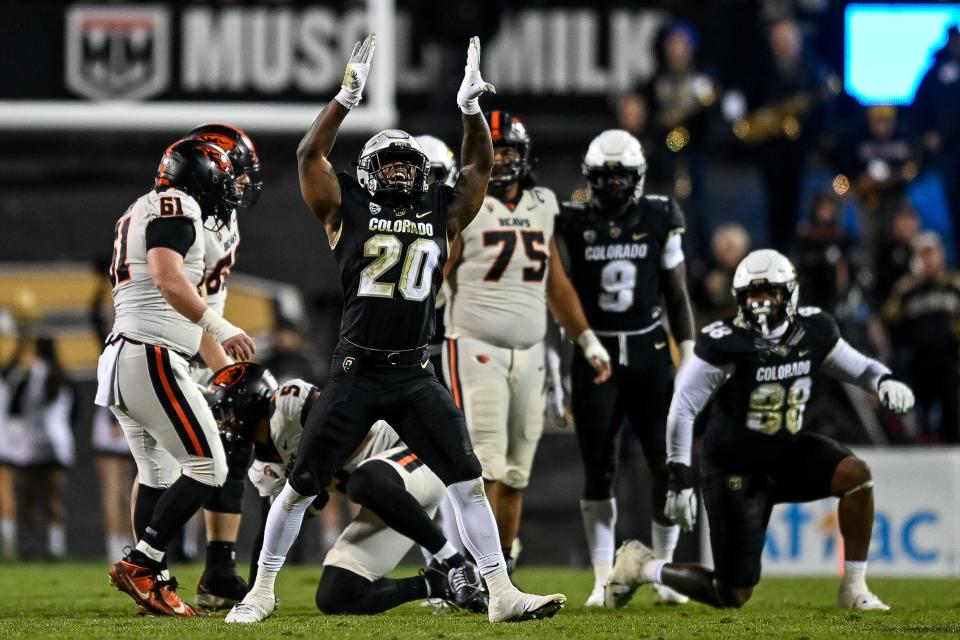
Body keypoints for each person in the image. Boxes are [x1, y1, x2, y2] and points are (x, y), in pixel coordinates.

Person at [227, 35, 565, 625]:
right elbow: (310, 158)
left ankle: (501, 592)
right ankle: (261, 590)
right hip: (357, 370)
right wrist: (343, 100)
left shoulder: (442, 208)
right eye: (390, 162)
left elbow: (480, 166)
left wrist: (470, 113)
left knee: (468, 478)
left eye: (410, 164)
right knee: (301, 484)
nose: (402, 171)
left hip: (413, 371)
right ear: (368, 170)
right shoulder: (346, 207)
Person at [604, 249, 915, 611]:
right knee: (732, 593)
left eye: (769, 293)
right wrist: (678, 475)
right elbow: (683, 406)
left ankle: (854, 588)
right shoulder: (724, 342)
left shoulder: (814, 329)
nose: (761, 303)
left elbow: (857, 368)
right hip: (735, 468)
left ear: (789, 294)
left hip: (787, 452)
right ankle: (643, 566)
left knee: (856, 475)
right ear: (739, 300)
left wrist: (883, 380)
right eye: (752, 295)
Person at [442, 110, 612, 576]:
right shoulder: (465, 202)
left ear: (524, 155)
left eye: (510, 152)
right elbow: (439, 271)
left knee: (516, 472)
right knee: (485, 466)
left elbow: (555, 282)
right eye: (494, 153)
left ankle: (504, 566)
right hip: (475, 346)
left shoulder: (543, 203)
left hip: (532, 353)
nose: (501, 162)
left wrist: (587, 339)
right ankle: (475, 570)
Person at [96, 138, 256, 617]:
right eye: (222, 177)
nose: (228, 188)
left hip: (128, 354)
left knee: (157, 474)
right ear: (202, 175)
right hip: (152, 354)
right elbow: (168, 279)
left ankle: (154, 586)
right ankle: (142, 564)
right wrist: (221, 327)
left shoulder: (142, 207)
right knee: (210, 466)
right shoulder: (177, 203)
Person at [206, 362, 487, 614]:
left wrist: (315, 464)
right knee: (336, 596)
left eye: (226, 412)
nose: (223, 423)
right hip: (381, 495)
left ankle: (455, 563)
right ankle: (437, 584)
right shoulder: (263, 468)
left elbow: (350, 423)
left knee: (363, 481)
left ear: (249, 401)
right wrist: (257, 590)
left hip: (411, 456)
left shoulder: (289, 403)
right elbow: (282, 521)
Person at [555, 130, 694, 606]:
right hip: (597, 356)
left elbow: (676, 292)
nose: (613, 184)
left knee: (663, 463)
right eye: (604, 175)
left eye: (621, 175)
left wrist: (690, 352)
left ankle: (665, 571)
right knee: (599, 467)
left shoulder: (659, 215)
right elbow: (558, 290)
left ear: (636, 178)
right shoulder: (571, 221)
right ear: (590, 179)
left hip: (651, 352)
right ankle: (600, 576)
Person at [183, 123, 264, 610]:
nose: (241, 184)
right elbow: (180, 301)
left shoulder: (223, 219)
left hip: (205, 344)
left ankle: (218, 569)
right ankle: (150, 566)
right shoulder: (182, 219)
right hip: (172, 347)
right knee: (163, 469)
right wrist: (221, 365)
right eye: (235, 174)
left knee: (231, 449)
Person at [882, 232, 960, 443]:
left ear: (940, 254)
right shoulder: (906, 289)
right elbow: (889, 320)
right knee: (914, 415)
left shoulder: (954, 284)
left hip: (948, 359)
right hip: (917, 360)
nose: (927, 260)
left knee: (952, 410)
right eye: (922, 254)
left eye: (930, 253)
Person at [6, 336, 75, 559]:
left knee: (29, 498)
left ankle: (30, 546)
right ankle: (56, 546)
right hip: (58, 446)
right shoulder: (63, 376)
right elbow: (75, 413)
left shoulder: (29, 376)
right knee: (53, 497)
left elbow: (15, 408)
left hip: (31, 447)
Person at [89, 262, 136, 559]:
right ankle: (127, 549)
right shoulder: (130, 343)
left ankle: (117, 550)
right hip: (124, 418)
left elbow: (93, 316)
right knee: (128, 488)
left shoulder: (111, 345)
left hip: (115, 419)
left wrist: (102, 284)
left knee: (117, 489)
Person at [690, 223, 752, 327]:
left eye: (731, 248)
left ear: (743, 248)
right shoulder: (706, 271)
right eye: (721, 249)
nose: (726, 254)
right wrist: (712, 292)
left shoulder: (752, 272)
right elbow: (698, 304)